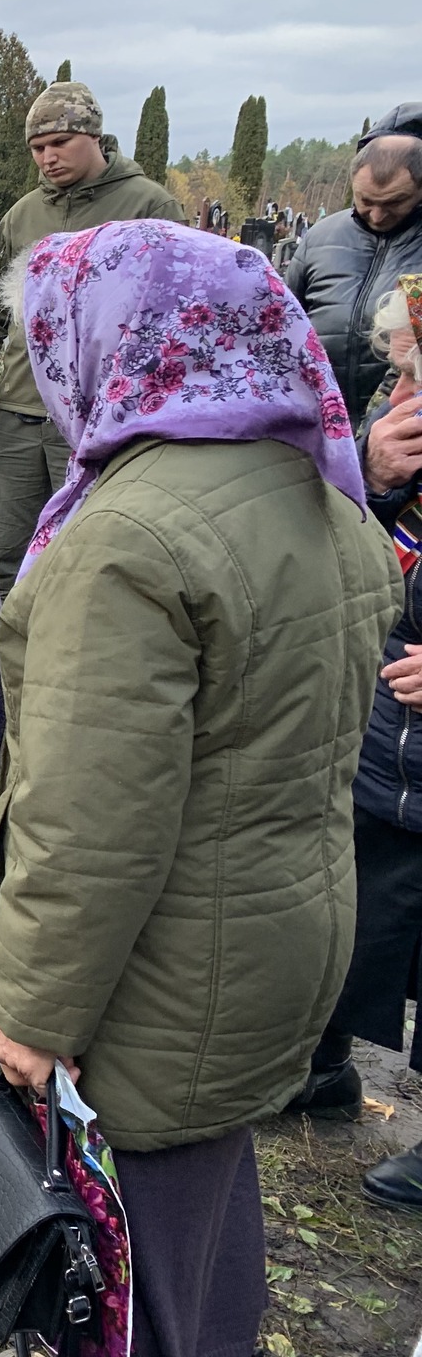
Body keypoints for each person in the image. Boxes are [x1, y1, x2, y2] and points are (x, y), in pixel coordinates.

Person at [0, 220, 400, 1349]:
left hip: (154, 972)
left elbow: (88, 822)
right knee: (205, 1221)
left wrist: (30, 1012)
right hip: (275, 937)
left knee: (128, 1269)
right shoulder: (319, 490)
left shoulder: (127, 539)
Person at [291, 275, 422, 1213]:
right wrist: (369, 477)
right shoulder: (391, 418)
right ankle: (324, 1063)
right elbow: (344, 541)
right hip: (387, 726)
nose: (404, 385)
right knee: (363, 889)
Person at [0, 81, 185, 594]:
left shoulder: (148, 205)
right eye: (38, 148)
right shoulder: (24, 213)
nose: (47, 158)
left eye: (59, 143)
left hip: (98, 418)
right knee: (2, 550)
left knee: (82, 551)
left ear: (95, 136)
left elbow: (175, 318)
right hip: (18, 410)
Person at [286, 107, 422, 421]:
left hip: (397, 429)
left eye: (394, 202)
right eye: (366, 200)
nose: (376, 215)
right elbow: (283, 325)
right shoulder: (320, 237)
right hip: (314, 424)